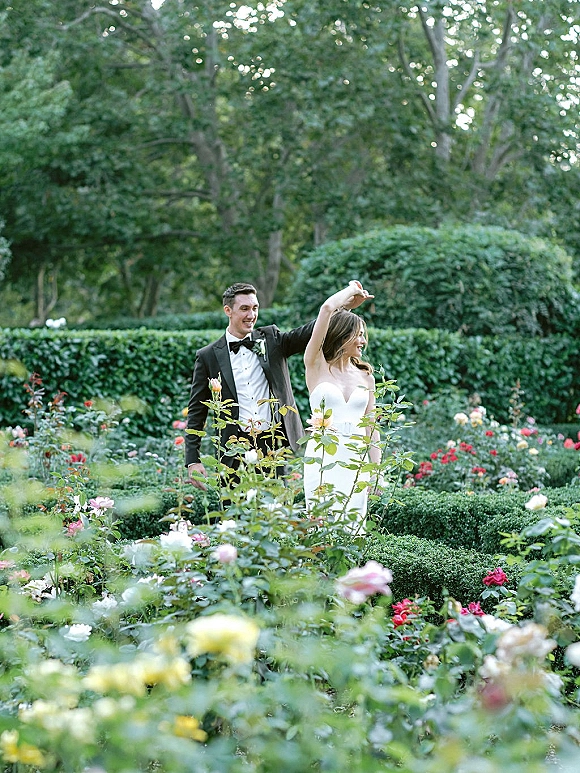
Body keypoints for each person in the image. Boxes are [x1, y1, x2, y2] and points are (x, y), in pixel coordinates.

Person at [185, 282, 361, 489]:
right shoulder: (208, 356)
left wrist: (343, 308)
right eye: (244, 309)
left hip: (273, 445)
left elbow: (311, 331)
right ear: (228, 311)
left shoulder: (271, 339)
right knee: (233, 516)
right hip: (233, 449)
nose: (251, 315)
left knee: (276, 512)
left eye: (255, 308)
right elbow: (197, 412)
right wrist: (193, 460)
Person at [302, 280, 378, 528]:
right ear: (343, 337)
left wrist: (375, 473)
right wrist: (351, 292)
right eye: (358, 335)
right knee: (320, 531)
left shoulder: (366, 376)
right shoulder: (315, 365)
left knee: (353, 532)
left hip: (356, 464)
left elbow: (372, 428)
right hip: (322, 459)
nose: (363, 341)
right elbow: (326, 309)